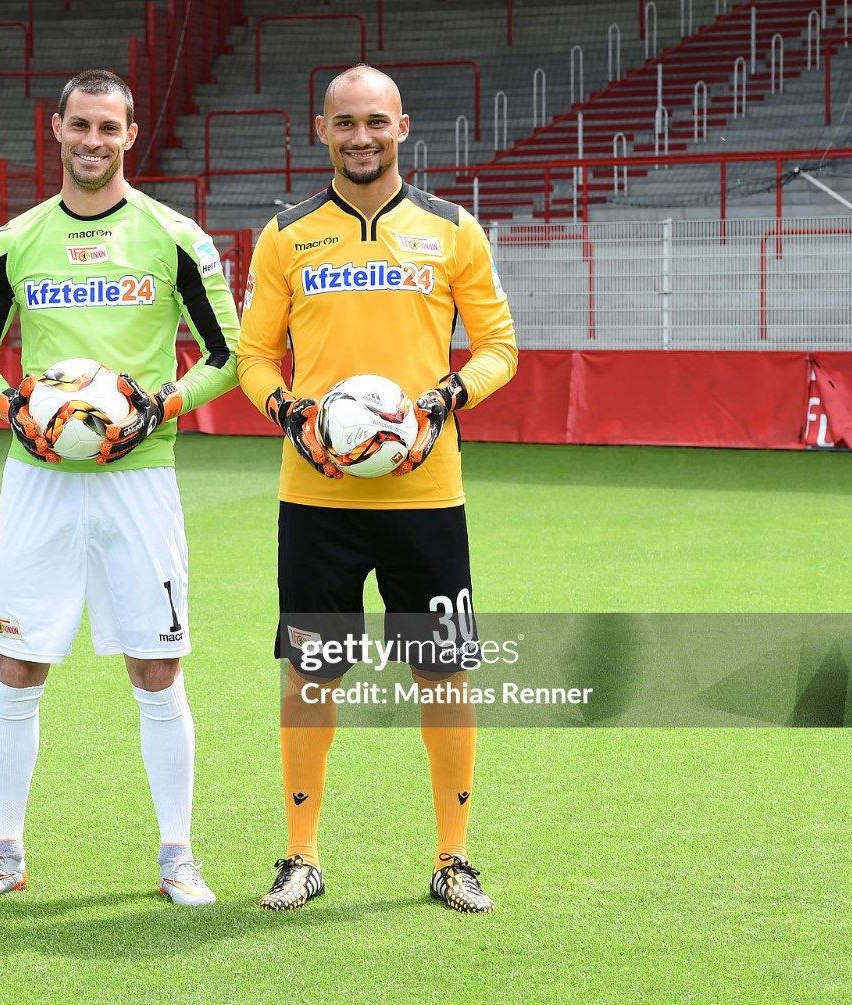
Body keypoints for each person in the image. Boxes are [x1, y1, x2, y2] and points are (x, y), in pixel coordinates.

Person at [0, 70, 240, 906]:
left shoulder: (173, 236)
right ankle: (4, 853)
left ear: (130, 134)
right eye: (80, 125)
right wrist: (14, 407)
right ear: (56, 128)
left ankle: (177, 854)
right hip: (38, 480)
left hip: (138, 480)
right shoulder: (14, 242)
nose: (92, 141)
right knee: (17, 663)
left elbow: (229, 351)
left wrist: (162, 405)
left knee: (156, 666)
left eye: (108, 128)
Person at [236, 66, 518, 912]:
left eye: (376, 122)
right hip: (317, 498)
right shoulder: (286, 235)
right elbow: (254, 356)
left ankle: (453, 857)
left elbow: (500, 348)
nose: (362, 137)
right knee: (310, 678)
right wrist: (290, 412)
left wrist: (442, 400)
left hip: (426, 498)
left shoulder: (453, 229)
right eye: (345, 123)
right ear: (321, 129)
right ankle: (300, 855)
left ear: (403, 126)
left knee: (444, 677)